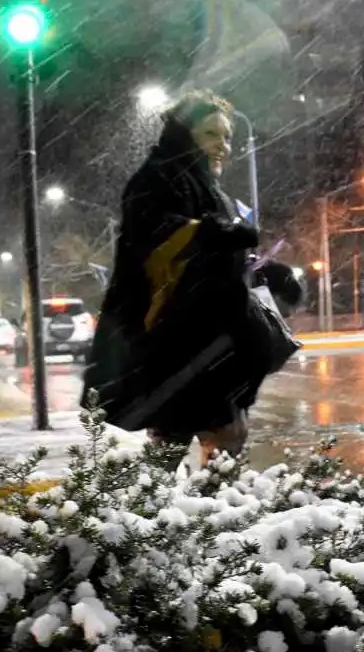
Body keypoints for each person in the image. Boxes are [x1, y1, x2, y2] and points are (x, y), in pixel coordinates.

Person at [82, 89, 297, 463]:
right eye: (212, 134)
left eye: (227, 137)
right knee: (205, 438)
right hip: (178, 338)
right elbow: (154, 237)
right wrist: (211, 233)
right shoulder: (156, 179)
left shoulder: (210, 189)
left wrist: (267, 273)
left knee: (203, 438)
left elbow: (227, 257)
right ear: (184, 133)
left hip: (211, 337)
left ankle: (181, 515)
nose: (224, 146)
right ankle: (190, 515)